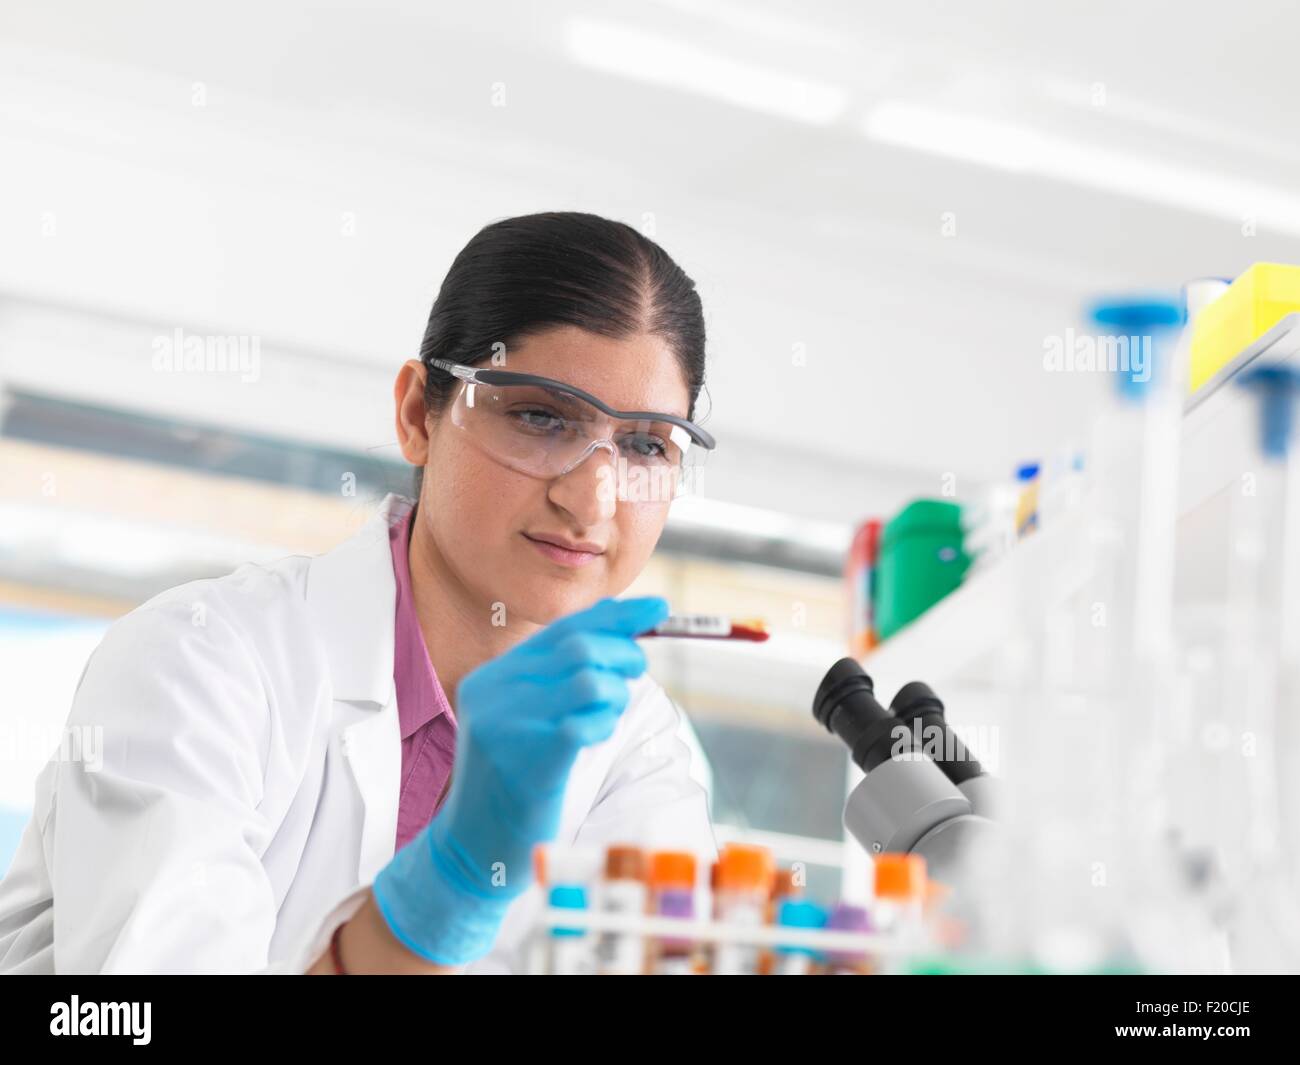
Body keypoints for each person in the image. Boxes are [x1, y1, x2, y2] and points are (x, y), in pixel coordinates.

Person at [0, 211, 720, 973]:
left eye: (646, 444)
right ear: (418, 415)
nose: (593, 500)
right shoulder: (200, 664)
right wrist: (444, 893)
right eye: (541, 417)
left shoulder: (639, 750)